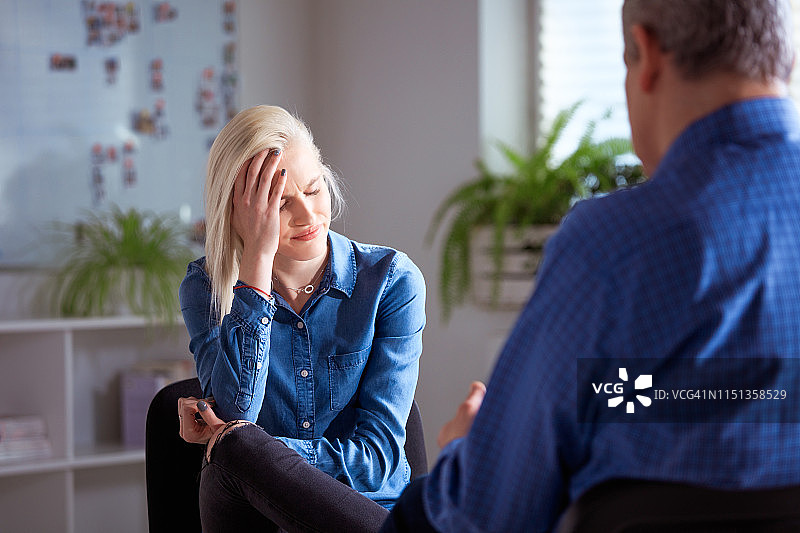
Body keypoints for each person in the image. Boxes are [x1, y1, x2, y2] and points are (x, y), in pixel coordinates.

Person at [381, 0, 800, 531]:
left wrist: (469, 450)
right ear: (785, 60)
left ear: (645, 55)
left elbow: (493, 511)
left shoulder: (612, 245)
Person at [177, 105, 426, 533]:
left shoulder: (391, 283)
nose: (309, 216)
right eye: (281, 203)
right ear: (236, 210)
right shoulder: (206, 287)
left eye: (313, 190)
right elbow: (239, 411)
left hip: (365, 510)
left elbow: (380, 460)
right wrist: (257, 259)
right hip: (258, 513)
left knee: (232, 452)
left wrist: (251, 450)